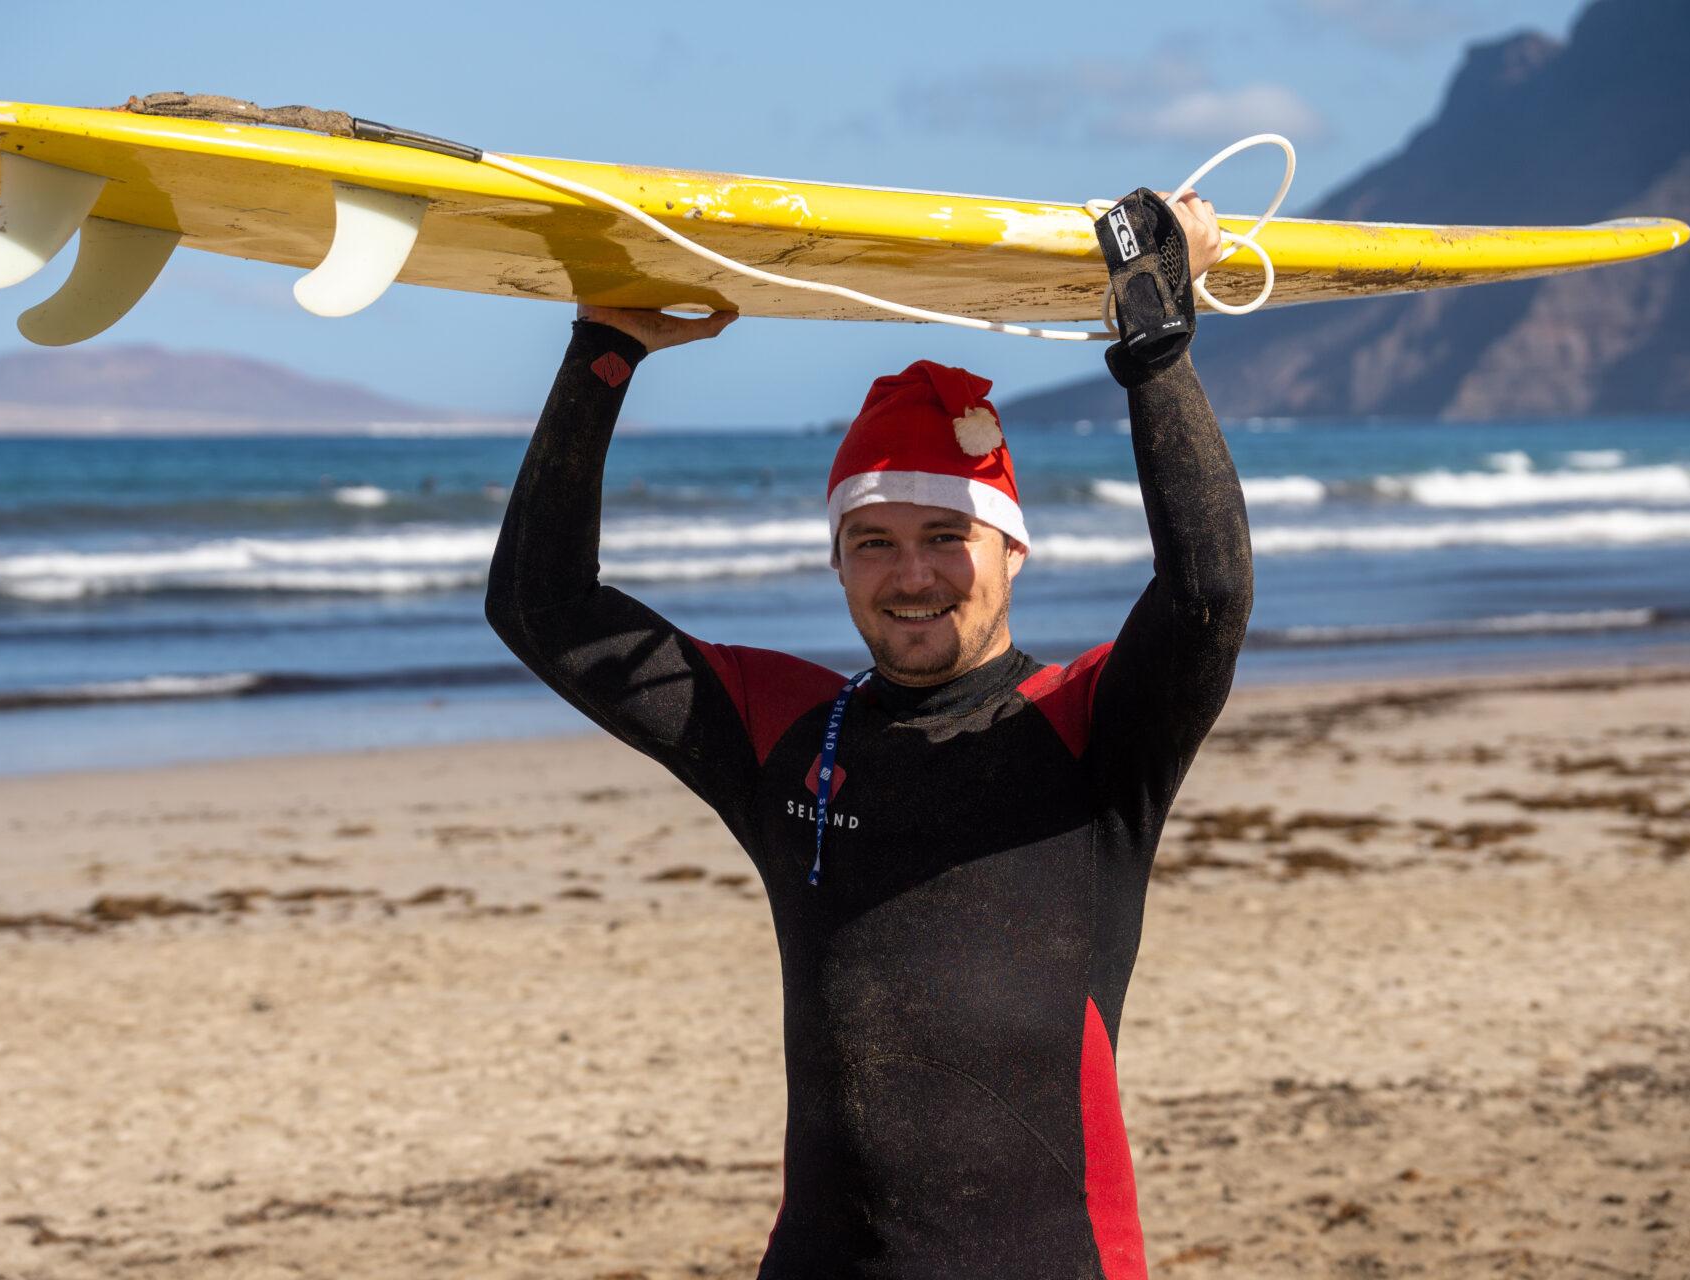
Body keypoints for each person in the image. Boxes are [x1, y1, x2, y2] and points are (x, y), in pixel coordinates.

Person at [486, 190, 1250, 1280]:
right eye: (874, 541)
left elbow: (1207, 592)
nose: (912, 574)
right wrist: (604, 350)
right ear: (837, 561)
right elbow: (542, 606)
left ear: (1013, 551)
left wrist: (1156, 340)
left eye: (947, 534)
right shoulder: (781, 729)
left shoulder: (1092, 724)